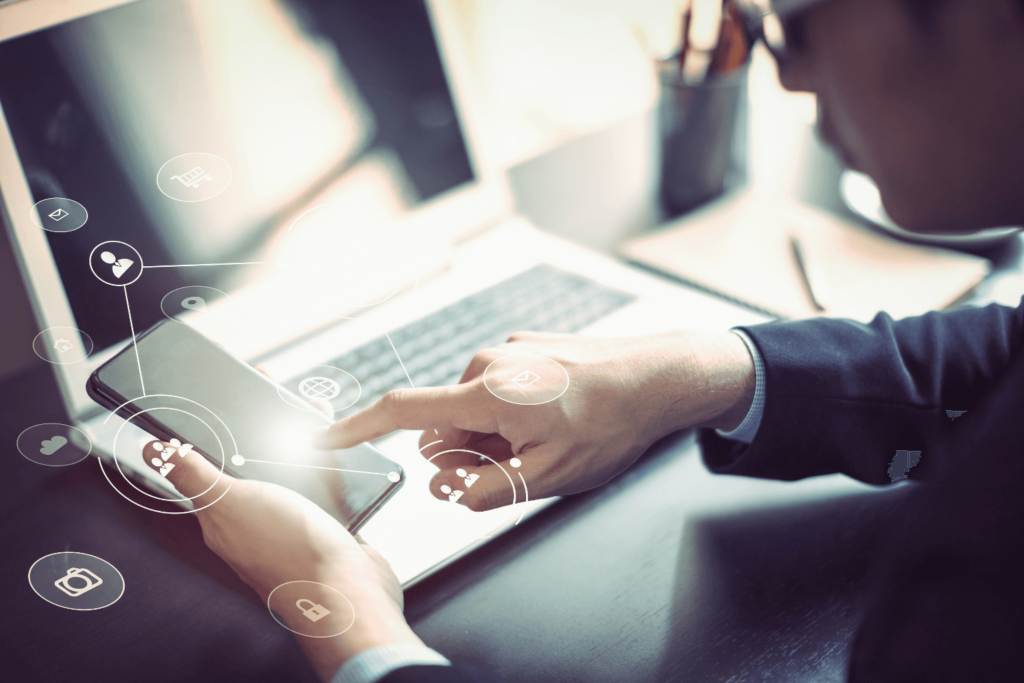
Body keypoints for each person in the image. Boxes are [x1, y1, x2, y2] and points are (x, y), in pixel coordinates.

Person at [142, 0, 1024, 680]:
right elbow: (1007, 356)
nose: (788, 80)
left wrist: (347, 616)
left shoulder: (981, 580)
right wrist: (696, 372)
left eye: (787, 25)